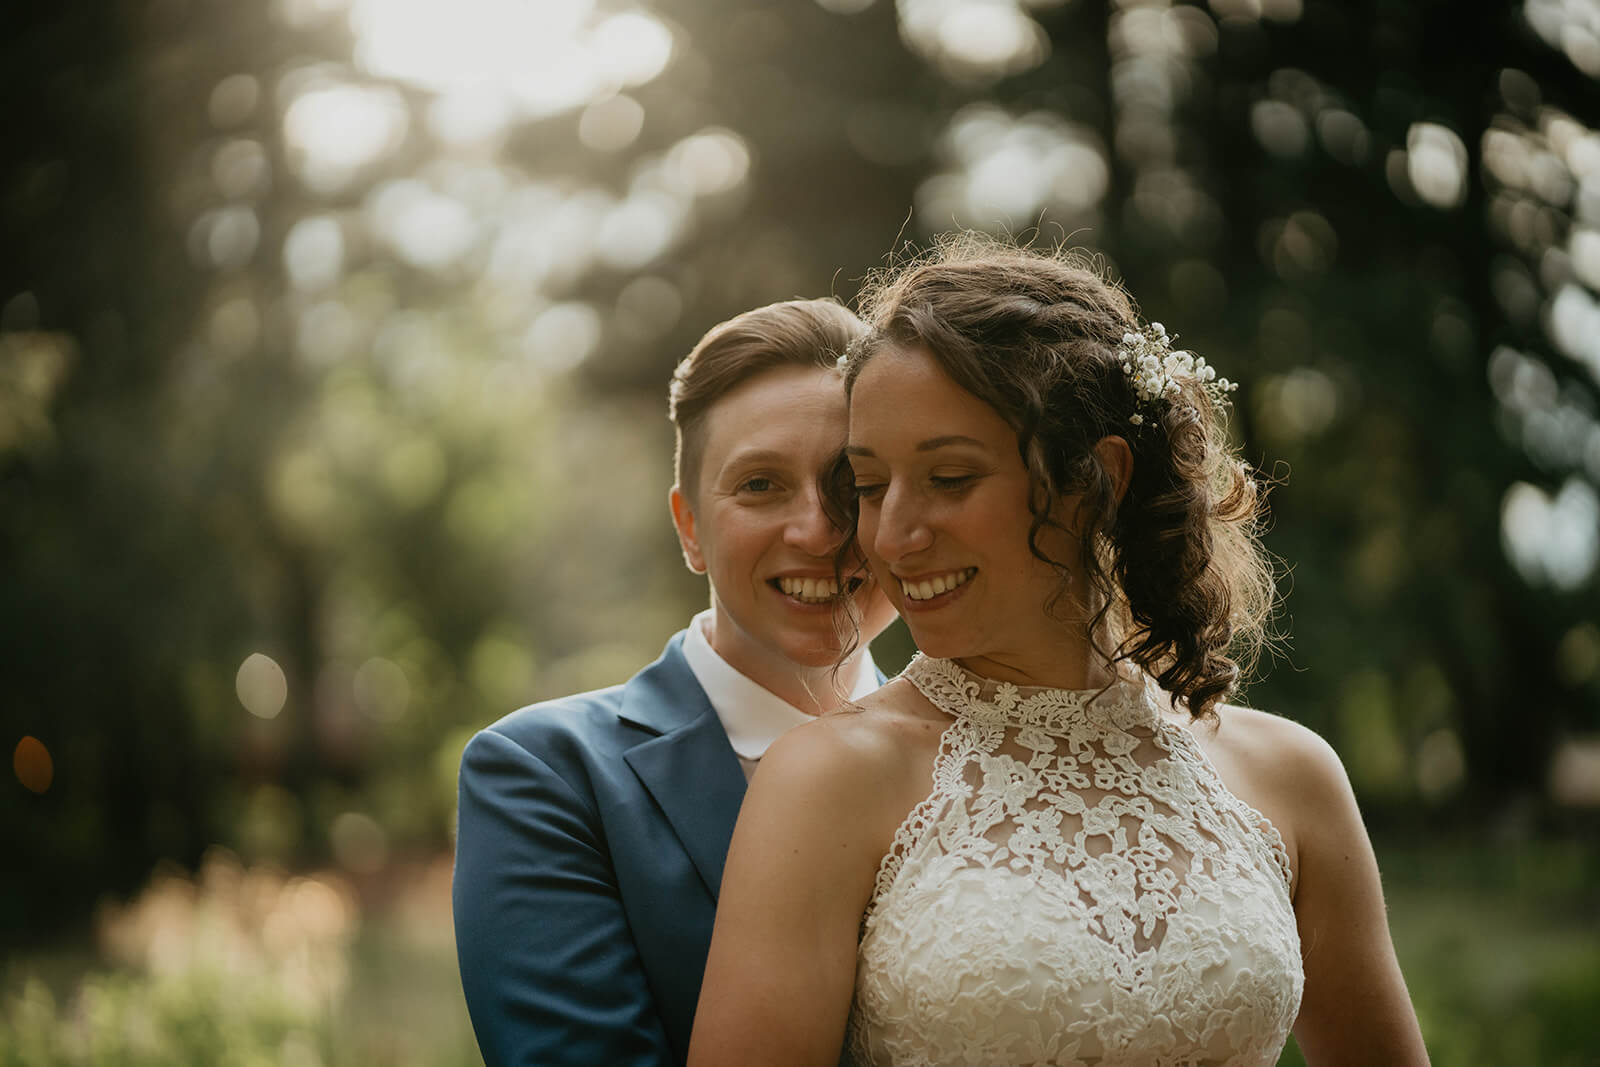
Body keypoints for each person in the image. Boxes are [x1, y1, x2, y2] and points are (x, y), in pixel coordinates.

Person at [688, 237, 1431, 1066]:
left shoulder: (1290, 774)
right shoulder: (826, 781)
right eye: (869, 486)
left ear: (1096, 480)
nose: (892, 534)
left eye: (950, 478)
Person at [453, 297, 898, 1067]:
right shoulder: (545, 776)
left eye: (852, 484)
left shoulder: (1001, 741)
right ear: (690, 527)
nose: (818, 531)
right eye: (760, 484)